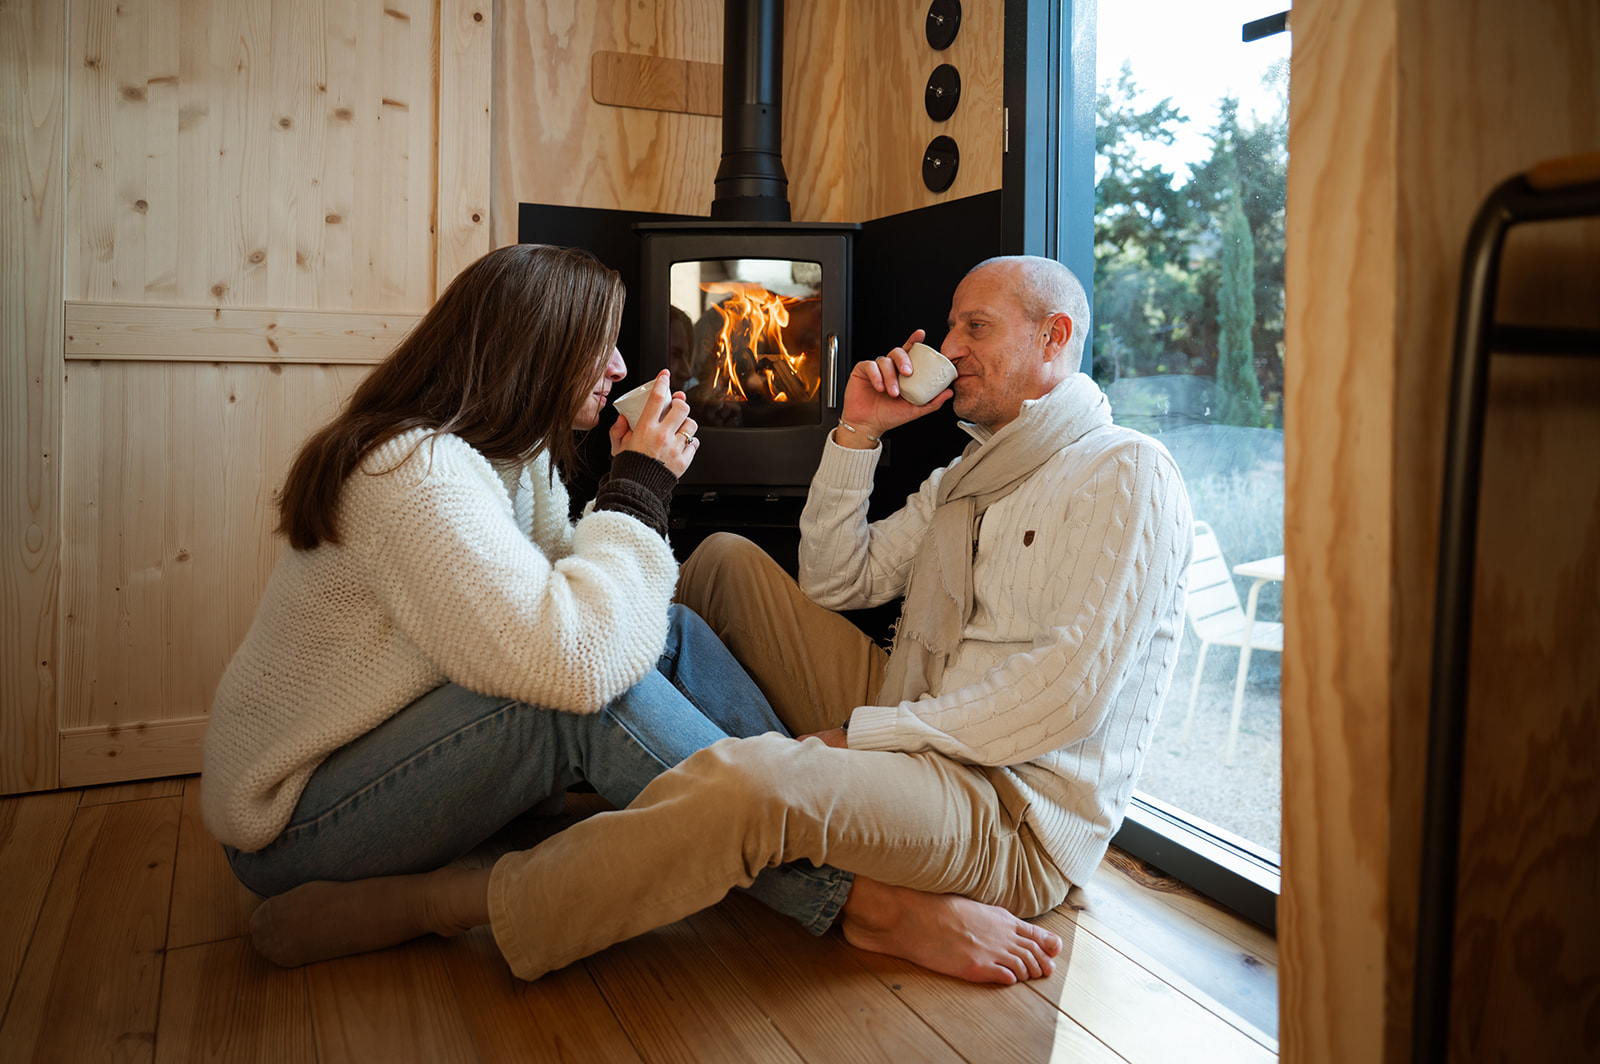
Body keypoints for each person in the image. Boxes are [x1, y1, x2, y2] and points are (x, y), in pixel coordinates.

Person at [245, 254, 1190, 987]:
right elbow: (832, 578)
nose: (947, 342)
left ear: (1055, 337)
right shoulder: (967, 476)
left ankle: (760, 809)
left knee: (663, 722)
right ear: (534, 353)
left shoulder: (1123, 471)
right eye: (954, 323)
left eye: (972, 326)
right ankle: (781, 807)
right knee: (723, 571)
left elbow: (1058, 699)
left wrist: (849, 744)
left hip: (1004, 802)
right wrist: (855, 434)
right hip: (918, 724)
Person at [202, 244, 844, 942]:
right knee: (588, 705)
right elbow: (577, 662)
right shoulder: (414, 471)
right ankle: (842, 885)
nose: (621, 368)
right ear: (538, 350)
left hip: (394, 756)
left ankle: (823, 813)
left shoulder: (514, 459)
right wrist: (637, 489)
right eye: (599, 347)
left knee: (673, 632)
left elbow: (603, 616)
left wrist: (634, 486)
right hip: (297, 825)